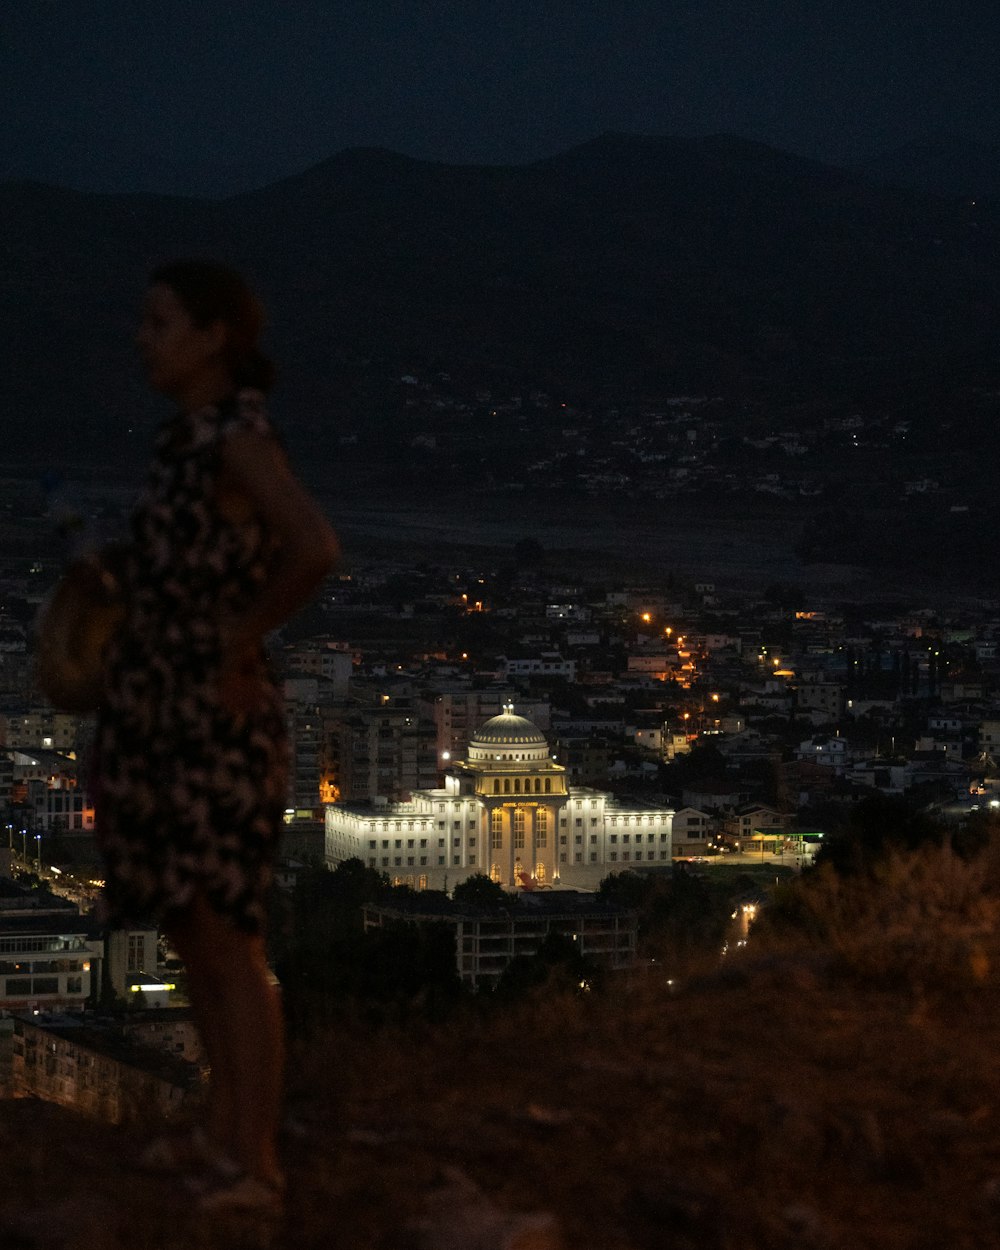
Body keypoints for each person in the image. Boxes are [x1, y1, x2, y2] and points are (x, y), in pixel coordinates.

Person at [94, 260, 339, 1219]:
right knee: (195, 930)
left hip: (216, 722)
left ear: (212, 338)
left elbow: (313, 545)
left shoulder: (236, 437)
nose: (142, 338)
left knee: (230, 939)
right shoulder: (186, 441)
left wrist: (239, 639)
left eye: (159, 322)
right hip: (165, 714)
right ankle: (220, 1132)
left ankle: (256, 1157)